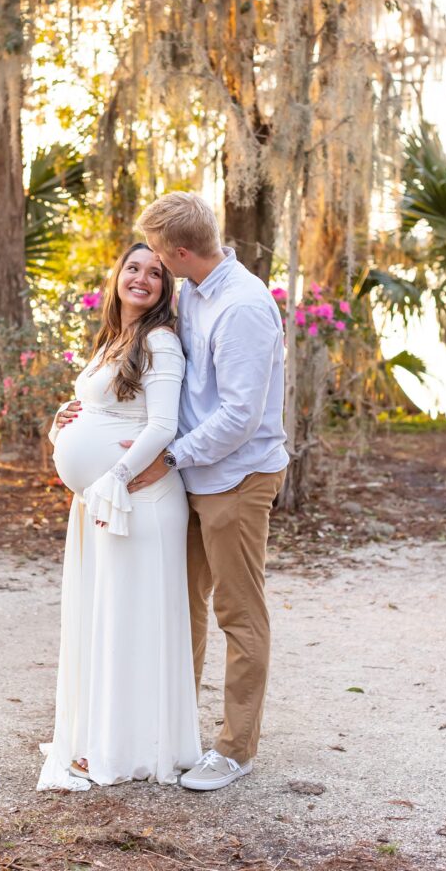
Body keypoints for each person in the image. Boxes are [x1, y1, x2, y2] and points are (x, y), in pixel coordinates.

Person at [131, 192, 288, 791]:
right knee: (182, 605)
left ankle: (235, 748)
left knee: (238, 612)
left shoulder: (244, 307)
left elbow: (241, 416)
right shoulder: (193, 290)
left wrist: (170, 456)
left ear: (181, 252)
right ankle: (177, 733)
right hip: (193, 472)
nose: (154, 265)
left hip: (236, 478)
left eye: (158, 255)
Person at [37, 243, 201, 792]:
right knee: (106, 618)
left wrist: (115, 477)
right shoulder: (114, 337)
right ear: (117, 277)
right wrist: (62, 424)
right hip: (103, 503)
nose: (142, 278)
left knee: (131, 624)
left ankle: (132, 749)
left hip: (140, 502)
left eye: (155, 273)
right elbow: (101, 409)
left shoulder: (160, 341)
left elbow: (161, 425)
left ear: (164, 288)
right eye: (133, 268)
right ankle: (100, 736)